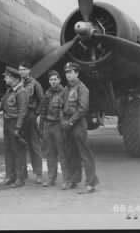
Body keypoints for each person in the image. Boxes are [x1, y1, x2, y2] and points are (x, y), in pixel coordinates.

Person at [61, 62, 99, 194]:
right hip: (68, 123)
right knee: (71, 153)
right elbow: (61, 107)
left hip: (78, 123)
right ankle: (74, 180)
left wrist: (70, 122)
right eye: (66, 72)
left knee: (84, 153)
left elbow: (83, 108)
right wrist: (63, 121)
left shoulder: (82, 88)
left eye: (71, 72)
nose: (68, 75)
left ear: (77, 73)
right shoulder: (65, 89)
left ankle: (91, 183)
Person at [0, 66, 28, 188]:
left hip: (15, 123)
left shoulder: (22, 92)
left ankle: (20, 178)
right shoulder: (9, 91)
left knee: (18, 151)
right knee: (8, 151)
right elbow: (3, 105)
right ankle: (10, 176)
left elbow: (23, 111)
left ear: (13, 78)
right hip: (7, 123)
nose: (5, 78)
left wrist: (18, 128)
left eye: (6, 76)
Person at [39, 70, 70, 189]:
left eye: (55, 79)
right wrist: (41, 128)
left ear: (59, 80)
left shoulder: (64, 93)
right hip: (48, 125)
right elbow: (42, 112)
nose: (53, 82)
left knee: (63, 154)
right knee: (50, 154)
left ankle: (67, 180)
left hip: (58, 125)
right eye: (51, 80)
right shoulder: (47, 93)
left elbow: (66, 111)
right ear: (49, 81)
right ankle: (51, 178)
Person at [18, 61, 44, 184]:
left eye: (24, 69)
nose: (22, 71)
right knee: (20, 146)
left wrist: (36, 114)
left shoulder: (35, 84)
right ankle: (22, 174)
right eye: (20, 69)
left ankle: (39, 174)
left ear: (29, 70)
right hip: (19, 118)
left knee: (34, 146)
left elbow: (41, 100)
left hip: (31, 116)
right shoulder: (17, 84)